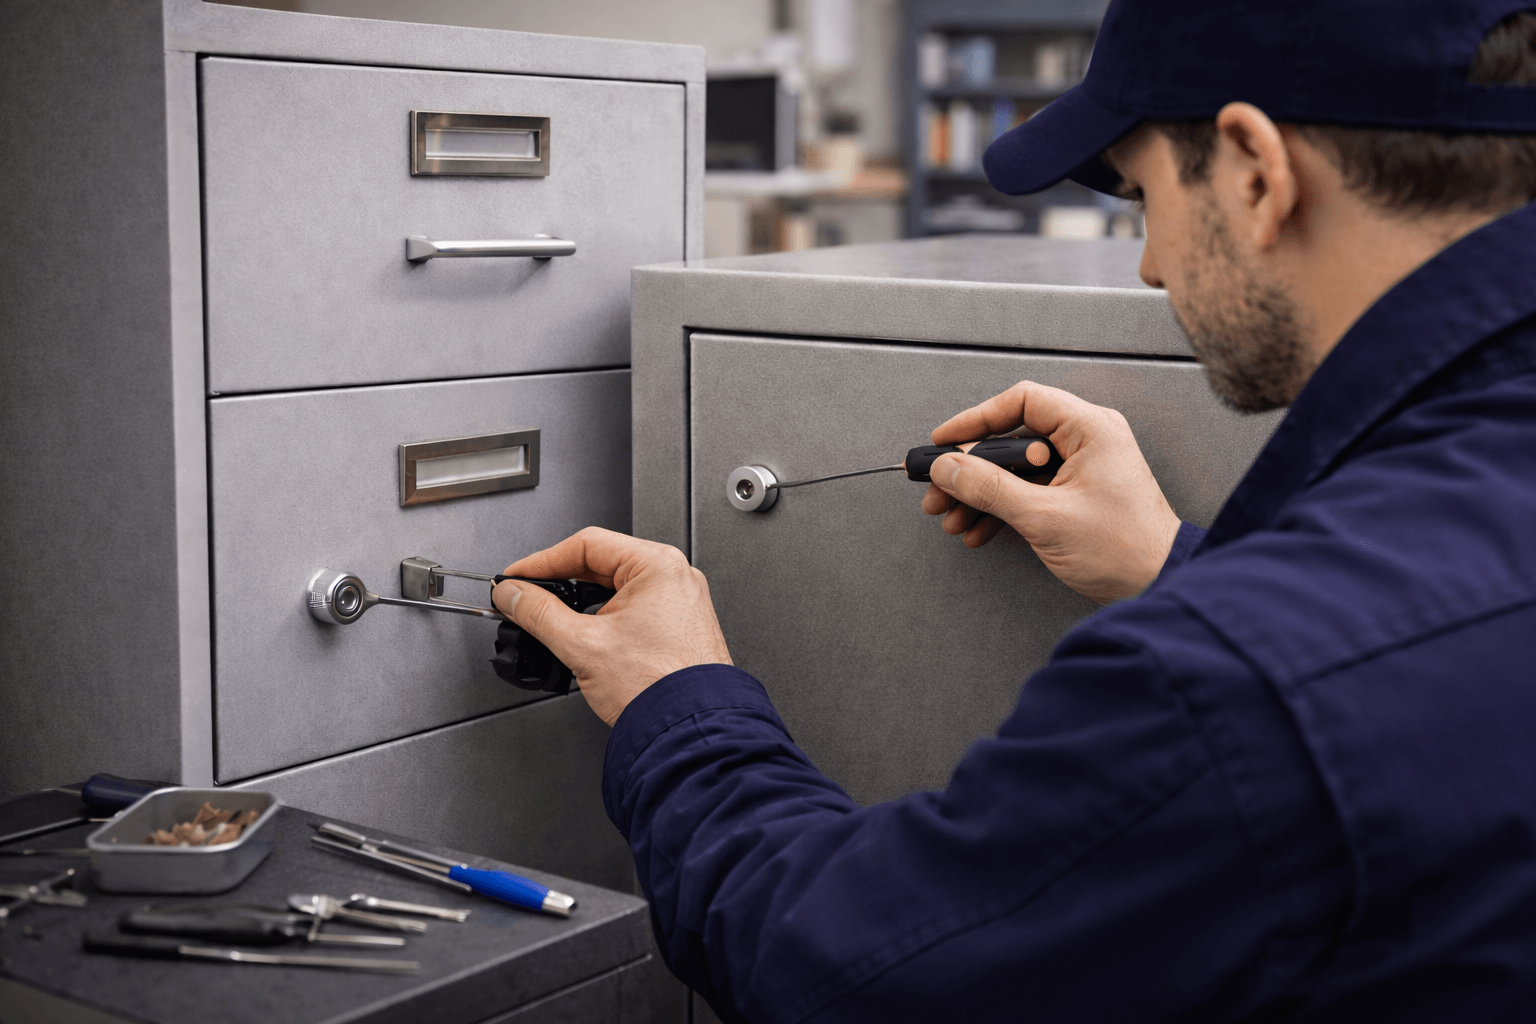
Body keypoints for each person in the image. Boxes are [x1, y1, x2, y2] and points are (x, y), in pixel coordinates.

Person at [491, 1, 1536, 1019]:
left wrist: (677, 701)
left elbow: (847, 971)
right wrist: (1175, 560)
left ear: (1258, 173)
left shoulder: (1237, 686)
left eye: (1139, 194)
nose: (1150, 263)